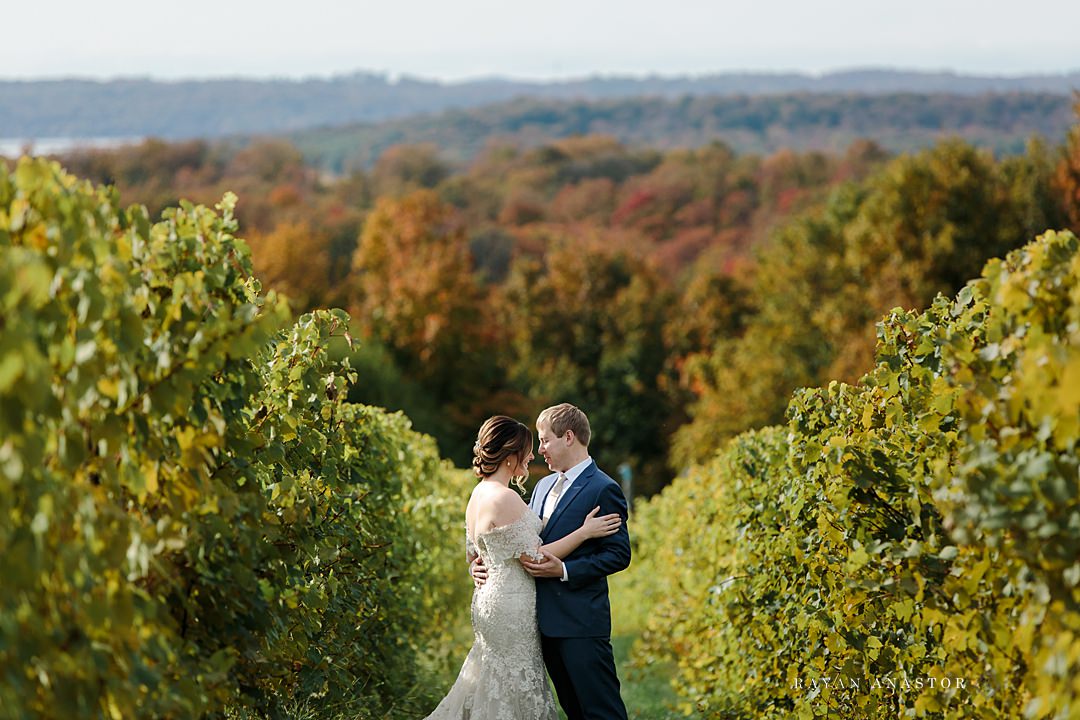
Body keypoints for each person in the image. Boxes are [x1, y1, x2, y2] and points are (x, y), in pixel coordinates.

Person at [425, 415, 622, 720]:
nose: (535, 453)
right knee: (512, 690)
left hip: (560, 617)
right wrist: (584, 532)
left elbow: (477, 551)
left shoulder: (601, 488)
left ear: (568, 437)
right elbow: (533, 556)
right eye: (532, 446)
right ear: (510, 456)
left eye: (543, 441)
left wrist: (478, 566)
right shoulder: (518, 494)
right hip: (513, 610)